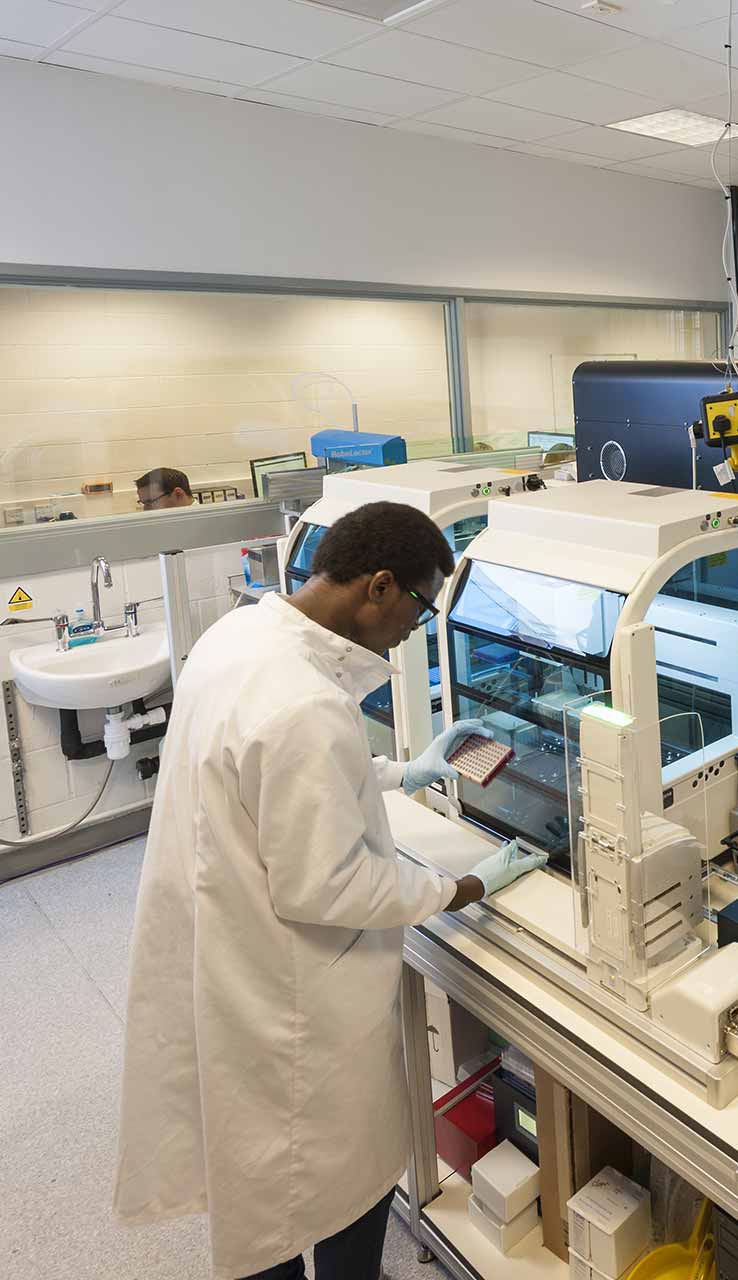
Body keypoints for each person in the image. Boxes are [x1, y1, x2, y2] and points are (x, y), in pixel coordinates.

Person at [113, 501, 548, 1279]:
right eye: (420, 606)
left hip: (226, 945)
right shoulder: (303, 704)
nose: (419, 627)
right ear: (379, 587)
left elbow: (284, 778)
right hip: (286, 995)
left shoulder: (244, 636)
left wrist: (397, 771)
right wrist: (461, 885)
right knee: (325, 1181)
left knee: (265, 1190)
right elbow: (329, 884)